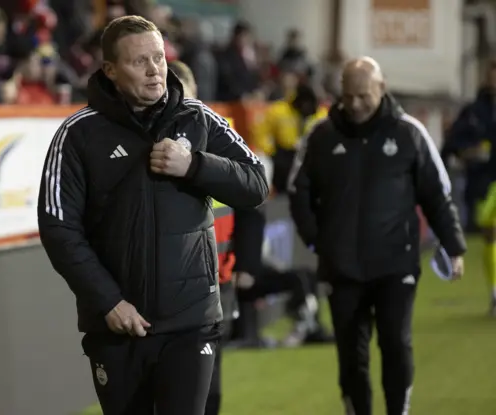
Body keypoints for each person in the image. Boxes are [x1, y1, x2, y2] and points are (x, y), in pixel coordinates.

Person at [37, 16, 268, 415]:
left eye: (159, 58)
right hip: (117, 325)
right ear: (110, 70)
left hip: (190, 320)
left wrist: (195, 164)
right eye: (139, 61)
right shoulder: (77, 135)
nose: (154, 70)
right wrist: (109, 302)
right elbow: (58, 227)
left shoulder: (198, 118)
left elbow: (256, 184)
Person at [287, 57, 466, 415]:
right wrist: (317, 241)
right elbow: (297, 191)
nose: (354, 104)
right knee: (351, 356)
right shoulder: (321, 135)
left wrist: (454, 245)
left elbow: (435, 193)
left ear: (381, 89)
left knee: (396, 344)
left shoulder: (409, 132)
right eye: (348, 96)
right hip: (342, 268)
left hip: (395, 264)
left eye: (363, 96)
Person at [167, 58, 236, 415]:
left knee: (211, 385)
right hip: (169, 286)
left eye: (188, 98)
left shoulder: (221, 138)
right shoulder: (156, 149)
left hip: (217, 280)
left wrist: (242, 260)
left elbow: (250, 201)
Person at [230, 205, 333, 348]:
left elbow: (263, 254)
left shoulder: (255, 216)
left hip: (256, 271)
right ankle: (304, 327)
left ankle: (311, 327)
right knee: (299, 279)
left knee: (306, 275)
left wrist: (278, 269)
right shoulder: (247, 215)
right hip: (243, 277)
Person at [445, 62, 496, 314]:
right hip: (484, 183)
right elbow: (452, 143)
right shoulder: (475, 111)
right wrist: (471, 152)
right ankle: (495, 291)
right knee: (490, 236)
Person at [253, 83, 328, 193]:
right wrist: (269, 150)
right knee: (263, 160)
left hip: (310, 155)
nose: (306, 107)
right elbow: (261, 133)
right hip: (283, 154)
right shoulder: (278, 111)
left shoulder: (322, 115)